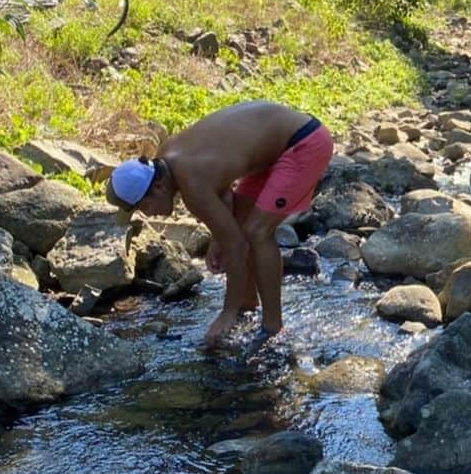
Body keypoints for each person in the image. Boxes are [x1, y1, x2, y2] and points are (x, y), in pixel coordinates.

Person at [106, 101, 333, 345]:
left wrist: (226, 312)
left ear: (158, 187)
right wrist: (218, 236)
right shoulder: (167, 156)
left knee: (256, 232)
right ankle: (247, 304)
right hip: (273, 152)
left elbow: (237, 247)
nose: (147, 215)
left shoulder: (191, 184)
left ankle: (272, 327)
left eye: (142, 207)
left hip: (303, 143)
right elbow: (222, 190)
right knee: (241, 227)